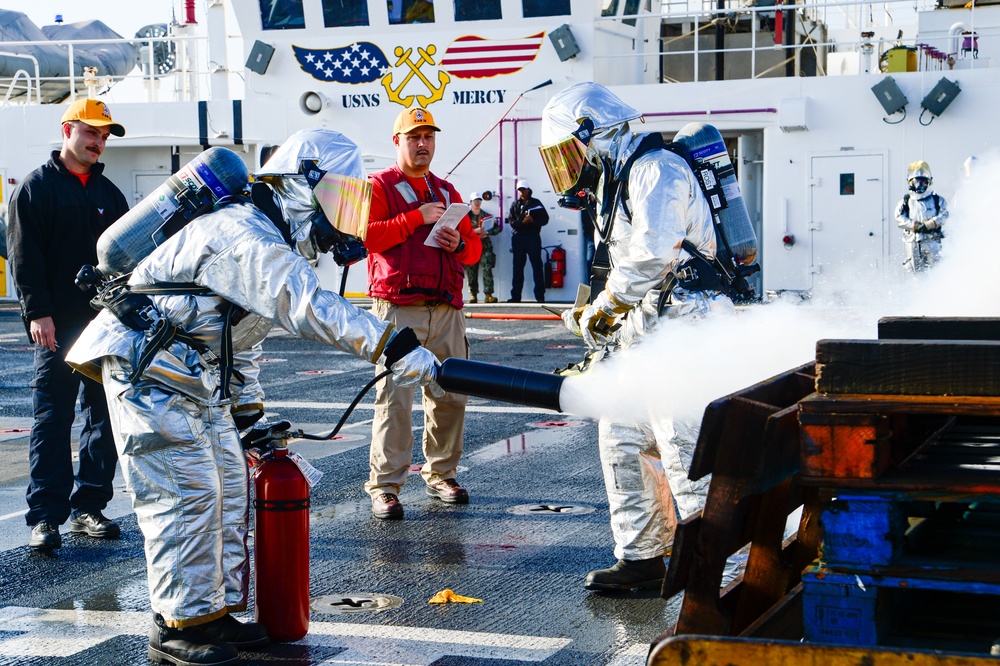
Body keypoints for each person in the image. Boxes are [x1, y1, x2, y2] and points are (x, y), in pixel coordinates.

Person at [66, 128, 443, 665]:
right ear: (300, 184)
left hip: (192, 375)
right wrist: (391, 343)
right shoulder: (244, 232)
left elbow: (240, 341)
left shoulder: (268, 238)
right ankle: (176, 626)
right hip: (148, 370)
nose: (345, 215)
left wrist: (250, 417)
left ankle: (209, 613)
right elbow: (303, 303)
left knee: (227, 487)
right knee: (187, 493)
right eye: (340, 197)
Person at [539, 82, 735, 591]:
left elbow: (653, 250)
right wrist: (607, 313)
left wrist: (607, 308)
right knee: (624, 438)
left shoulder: (656, 169)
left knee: (684, 451)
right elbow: (629, 262)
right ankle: (643, 559)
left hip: (689, 326)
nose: (566, 166)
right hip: (650, 326)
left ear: (593, 135)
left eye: (567, 153)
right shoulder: (620, 178)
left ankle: (721, 580)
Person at [7, 98, 130, 551]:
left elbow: (126, 260)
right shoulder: (35, 189)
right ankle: (46, 517)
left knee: (105, 416)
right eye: (90, 132)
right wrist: (37, 313)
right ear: (67, 130)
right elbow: (24, 258)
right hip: (56, 324)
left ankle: (89, 508)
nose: (97, 142)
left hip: (107, 324)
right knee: (53, 419)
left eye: (103, 135)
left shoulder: (109, 195)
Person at [364, 107, 483, 520]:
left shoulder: (448, 190)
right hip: (399, 308)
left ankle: (442, 474)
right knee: (394, 399)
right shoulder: (379, 185)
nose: (422, 144)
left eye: (428, 136)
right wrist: (416, 217)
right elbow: (368, 236)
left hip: (445, 308)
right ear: (397, 141)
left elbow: (474, 250)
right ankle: (384, 486)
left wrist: (458, 245)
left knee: (450, 395)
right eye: (414, 137)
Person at [895, 159, 947, 273]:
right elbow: (899, 217)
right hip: (913, 243)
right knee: (915, 274)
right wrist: (914, 225)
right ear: (910, 183)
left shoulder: (937, 200)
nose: (920, 185)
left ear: (928, 182)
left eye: (923, 182)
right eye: (917, 182)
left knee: (937, 273)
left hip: (932, 241)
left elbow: (945, 215)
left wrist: (931, 223)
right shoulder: (906, 201)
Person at [507, 180, 549, 303]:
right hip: (519, 238)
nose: (522, 192)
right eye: (519, 190)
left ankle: (540, 297)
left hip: (533, 237)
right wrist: (523, 222)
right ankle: (516, 297)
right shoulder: (515, 205)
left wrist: (533, 221)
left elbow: (545, 219)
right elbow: (512, 223)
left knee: (537, 266)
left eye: (523, 189)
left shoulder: (536, 203)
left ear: (528, 190)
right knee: (518, 268)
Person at [465, 192, 500, 303]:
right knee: (471, 272)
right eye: (475, 201)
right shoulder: (466, 217)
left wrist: (487, 233)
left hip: (485, 247)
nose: (477, 203)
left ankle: (488, 294)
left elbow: (496, 229)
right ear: (470, 202)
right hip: (471, 247)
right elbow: (462, 232)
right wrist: (475, 232)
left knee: (487, 270)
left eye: (479, 200)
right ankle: (473, 295)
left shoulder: (487, 216)